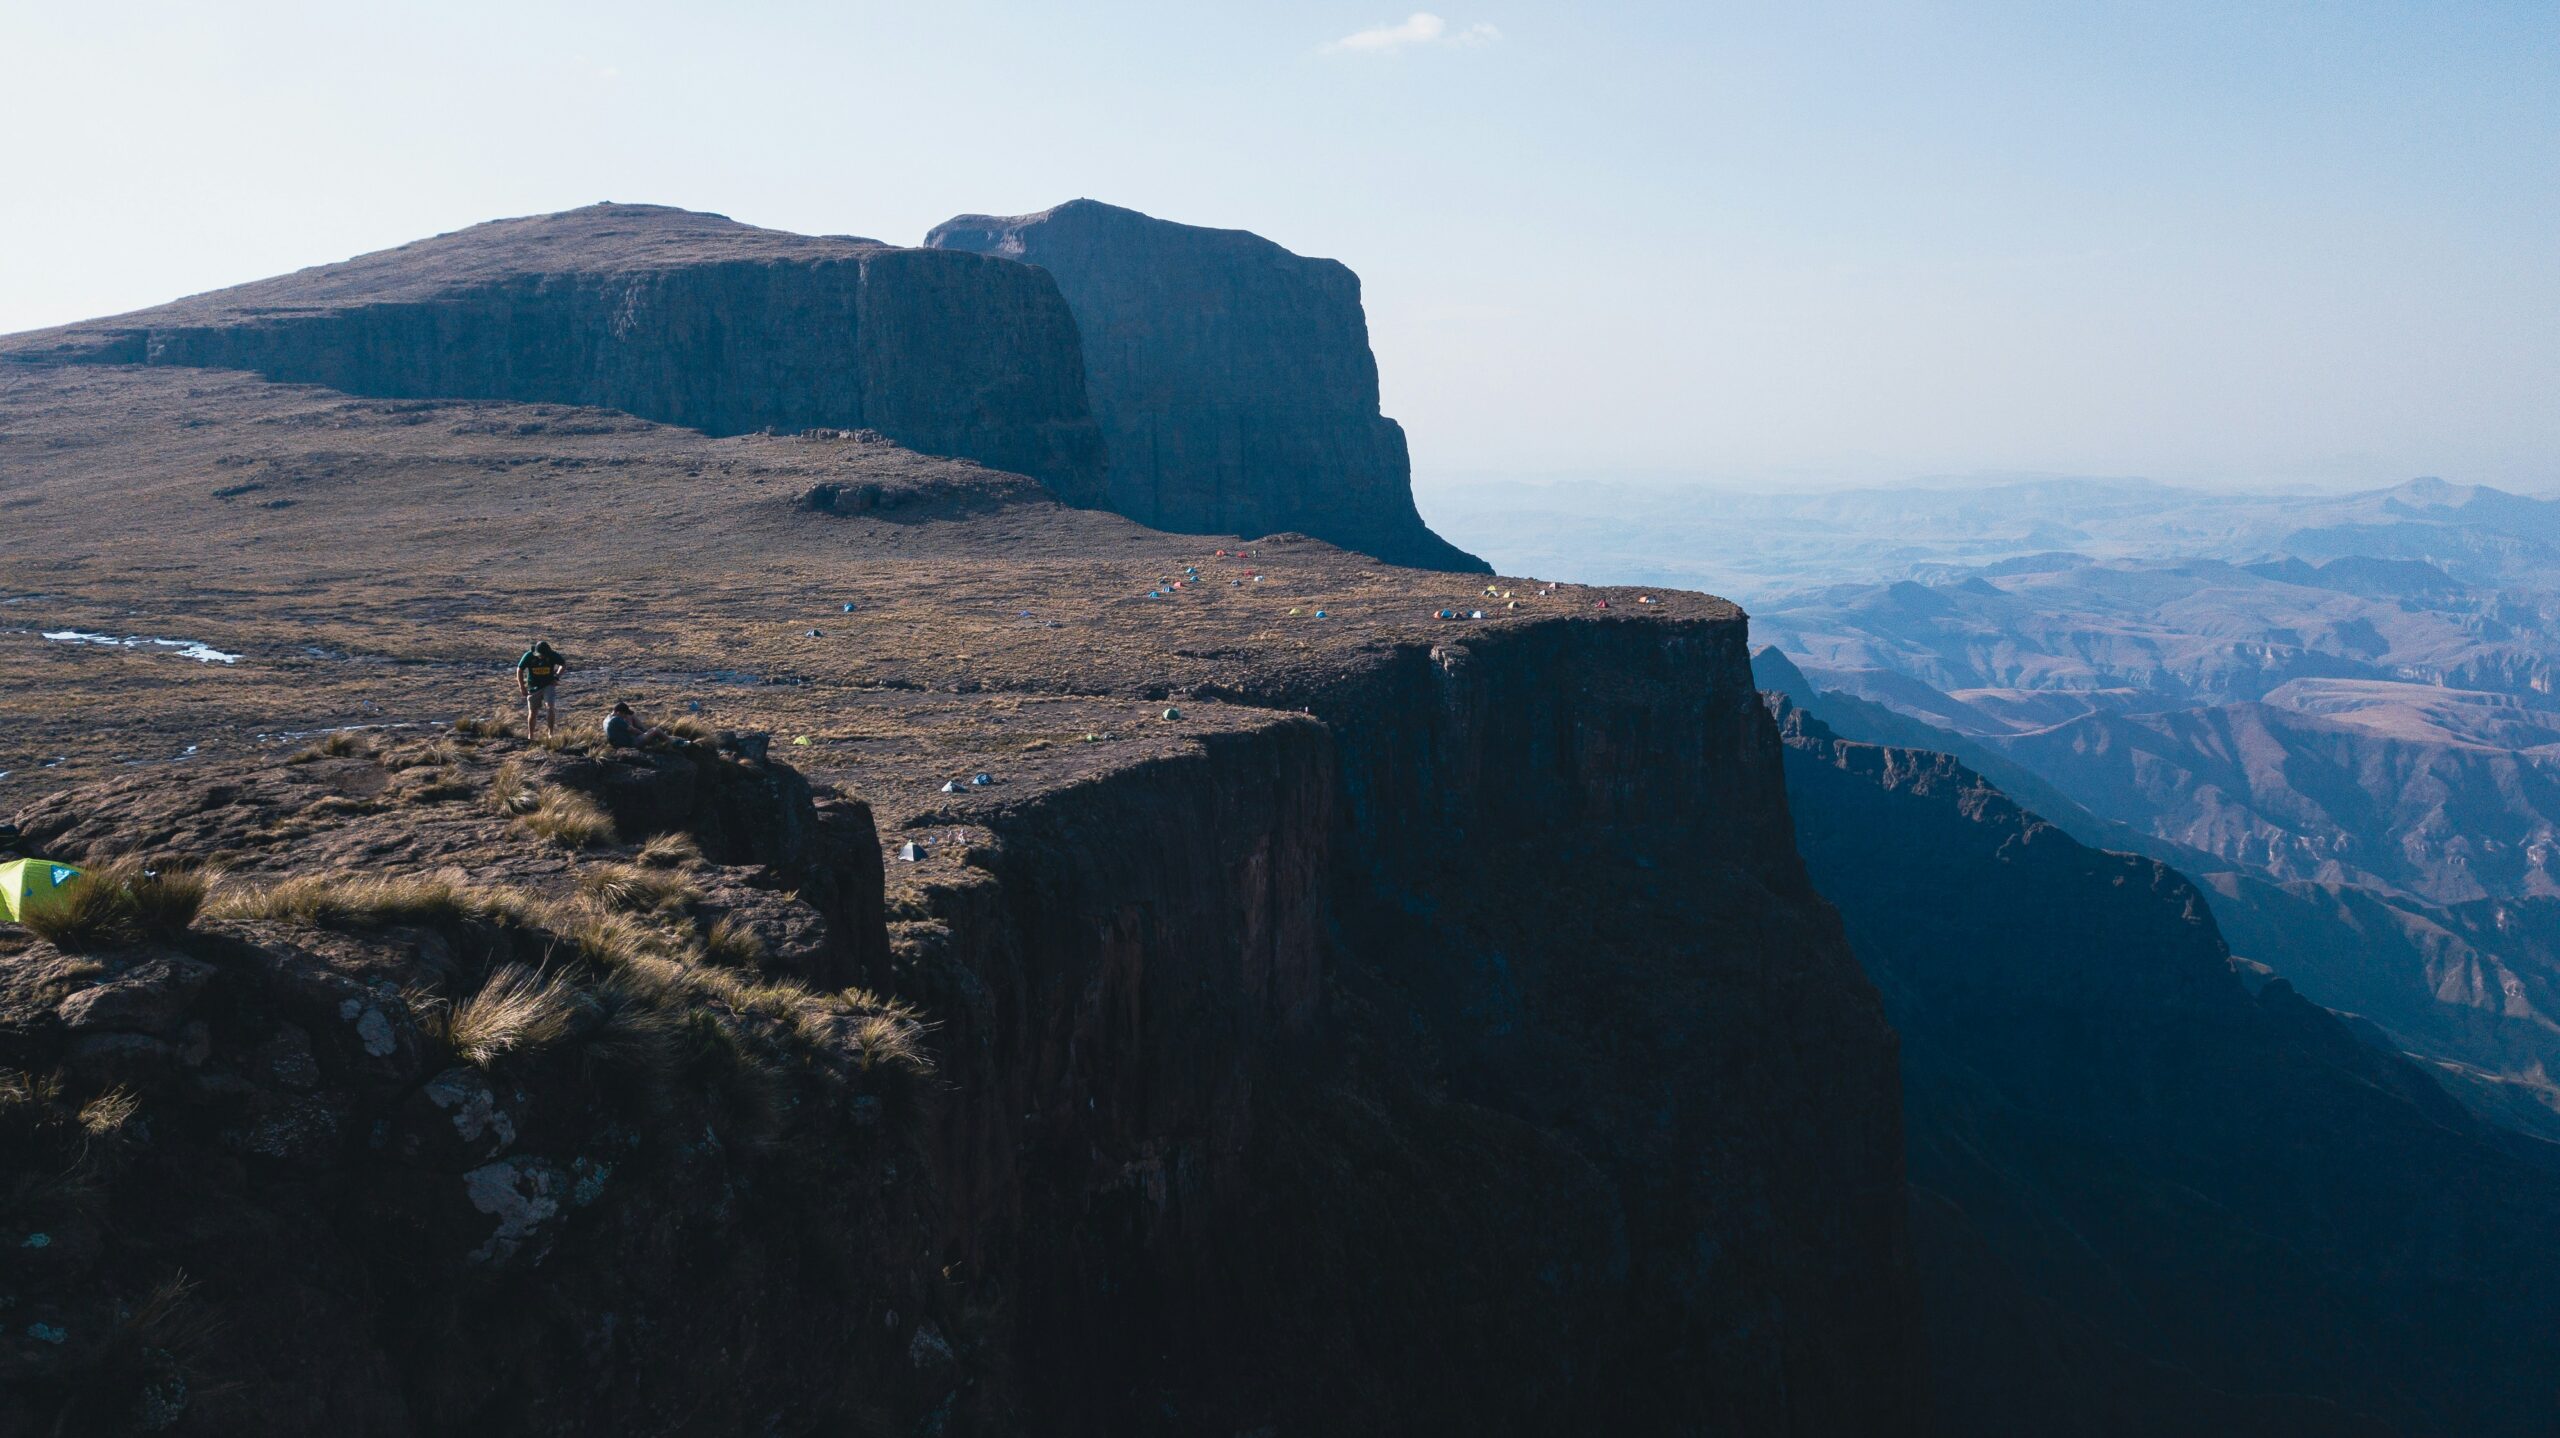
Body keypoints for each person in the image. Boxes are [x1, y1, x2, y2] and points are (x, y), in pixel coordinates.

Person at [516, 640, 567, 735]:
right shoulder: (529, 656)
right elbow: (519, 669)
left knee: (550, 708)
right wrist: (522, 687)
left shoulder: (552, 655)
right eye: (539, 654)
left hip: (548, 685)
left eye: (542, 655)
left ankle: (550, 734)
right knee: (533, 712)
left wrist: (556, 676)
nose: (540, 656)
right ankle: (531, 735)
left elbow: (563, 664)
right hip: (534, 687)